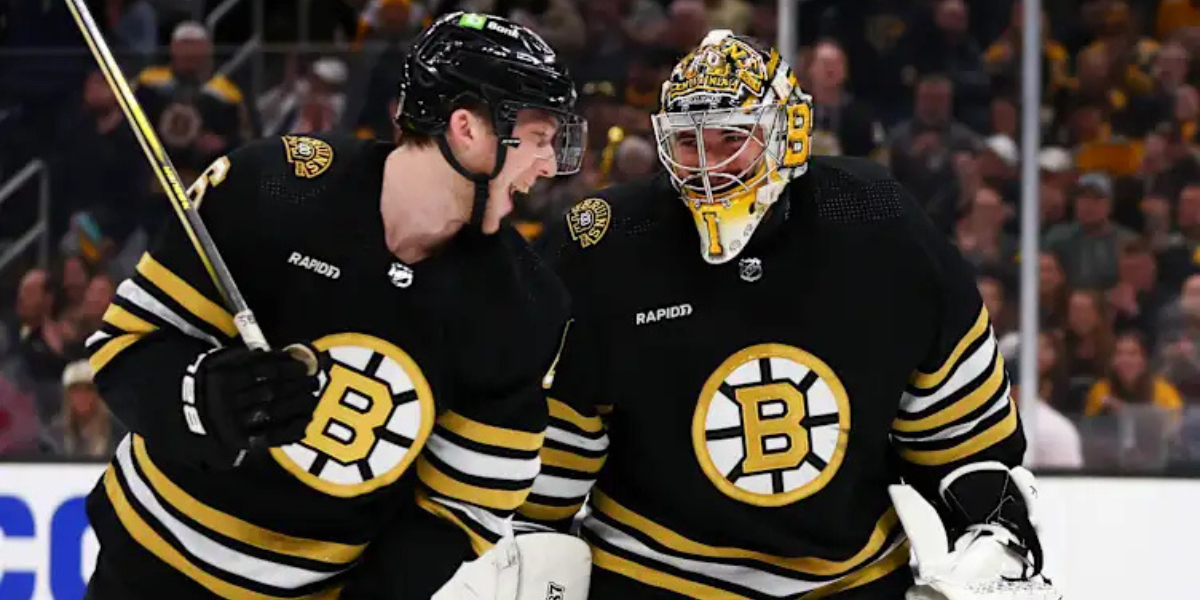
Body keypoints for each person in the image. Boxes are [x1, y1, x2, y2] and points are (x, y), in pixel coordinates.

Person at [522, 30, 1061, 600]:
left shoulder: (881, 226)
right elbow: (550, 464)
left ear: (789, 133)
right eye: (688, 141)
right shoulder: (605, 245)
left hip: (849, 579)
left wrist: (994, 537)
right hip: (653, 578)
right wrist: (531, 555)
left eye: (732, 137)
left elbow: (965, 442)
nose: (709, 164)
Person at [82, 12, 592, 600]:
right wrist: (204, 397)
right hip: (145, 569)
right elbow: (123, 350)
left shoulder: (525, 304)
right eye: (538, 137)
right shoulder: (271, 188)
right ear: (467, 129)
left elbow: (461, 510)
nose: (550, 165)